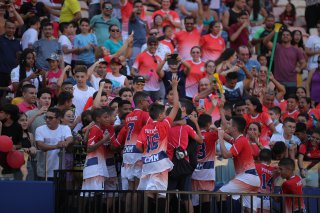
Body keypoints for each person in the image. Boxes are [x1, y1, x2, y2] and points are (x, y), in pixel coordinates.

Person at [136, 75, 179, 211]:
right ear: (161, 116)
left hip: (147, 163)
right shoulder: (164, 124)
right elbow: (176, 106)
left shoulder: (145, 127)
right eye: (164, 113)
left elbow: (138, 146)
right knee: (161, 193)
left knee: (148, 192)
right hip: (160, 164)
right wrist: (174, 87)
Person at [217, 116, 260, 212]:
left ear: (235, 128)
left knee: (220, 194)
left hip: (247, 177)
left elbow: (225, 155)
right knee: (250, 210)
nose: (227, 125)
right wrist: (219, 131)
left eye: (229, 124)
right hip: (252, 178)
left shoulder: (241, 140)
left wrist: (220, 137)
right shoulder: (240, 139)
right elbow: (229, 138)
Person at [263, 29, 306, 95]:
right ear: (281, 37)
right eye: (283, 35)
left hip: (292, 81)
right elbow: (265, 41)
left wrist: (300, 68)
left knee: (291, 102)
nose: (285, 36)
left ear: (291, 38)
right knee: (278, 102)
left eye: (287, 35)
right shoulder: (277, 46)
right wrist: (275, 30)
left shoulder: (296, 50)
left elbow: (303, 63)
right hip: (278, 81)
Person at [35, 107, 73, 180]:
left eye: (50, 118)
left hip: (60, 170)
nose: (47, 120)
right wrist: (56, 146)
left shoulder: (65, 128)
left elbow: (70, 138)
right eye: (46, 117)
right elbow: (40, 145)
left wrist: (66, 142)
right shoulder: (40, 129)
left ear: (58, 119)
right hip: (44, 169)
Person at [191, 113, 217, 211]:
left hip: (195, 171)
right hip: (207, 172)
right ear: (209, 124)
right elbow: (224, 131)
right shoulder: (212, 135)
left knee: (194, 199)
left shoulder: (193, 134)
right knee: (205, 199)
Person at [81, 108, 111, 192]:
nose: (108, 119)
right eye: (105, 117)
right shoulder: (95, 129)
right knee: (96, 194)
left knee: (89, 194)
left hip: (94, 166)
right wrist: (104, 140)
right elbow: (89, 148)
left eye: (108, 117)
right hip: (96, 168)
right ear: (98, 119)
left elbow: (85, 141)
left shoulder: (97, 129)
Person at [131, 36, 162, 102]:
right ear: (147, 45)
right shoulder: (141, 56)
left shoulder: (159, 58)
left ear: (157, 45)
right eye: (151, 44)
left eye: (155, 44)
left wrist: (161, 77)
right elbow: (132, 72)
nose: (153, 46)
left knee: (156, 110)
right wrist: (141, 77)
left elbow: (161, 74)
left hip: (156, 89)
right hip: (144, 88)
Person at [0, 21, 22, 97]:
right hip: (1, 72)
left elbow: (20, 57)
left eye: (13, 28)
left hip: (13, 74)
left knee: (11, 96)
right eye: (9, 28)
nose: (11, 30)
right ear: (5, 28)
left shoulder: (18, 42)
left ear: (15, 29)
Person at [254, 149, 276, 213]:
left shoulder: (255, 166)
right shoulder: (274, 170)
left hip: (256, 197)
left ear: (259, 158)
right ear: (270, 160)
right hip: (267, 199)